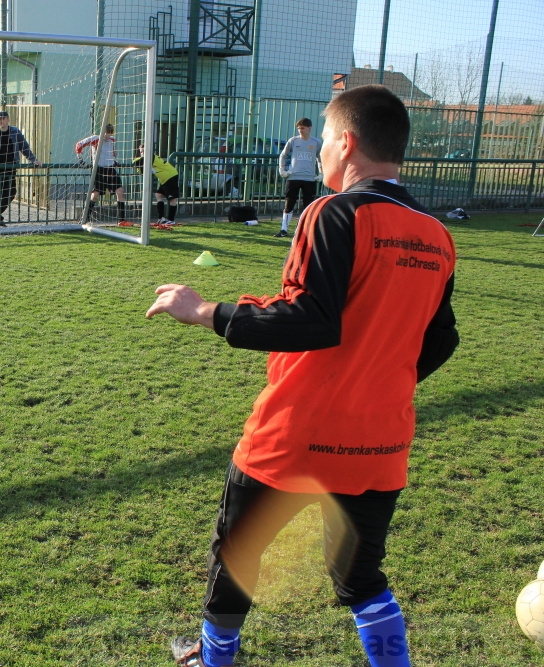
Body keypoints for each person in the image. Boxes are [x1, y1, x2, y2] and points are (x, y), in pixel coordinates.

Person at [146, 85, 458, 667]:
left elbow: (311, 319)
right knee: (360, 579)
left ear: (346, 143)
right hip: (380, 440)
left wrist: (206, 312)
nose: (319, 161)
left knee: (238, 553)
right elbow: (441, 339)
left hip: (296, 434)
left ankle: (214, 661)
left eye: (325, 148)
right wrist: (378, 379)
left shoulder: (331, 211)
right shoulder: (437, 235)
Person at [0, 110, 40, 227]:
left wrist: (33, 159)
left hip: (10, 167)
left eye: (3, 119)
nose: (1, 121)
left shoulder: (15, 132)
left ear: (8, 119)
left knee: (11, 192)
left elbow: (24, 147)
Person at [276, 117, 323, 238]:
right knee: (289, 203)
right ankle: (284, 229)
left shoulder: (316, 142)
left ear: (309, 128)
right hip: (293, 177)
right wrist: (282, 169)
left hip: (309, 178)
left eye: (302, 128)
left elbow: (320, 159)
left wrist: (321, 173)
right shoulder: (293, 141)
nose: (300, 130)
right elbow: (283, 155)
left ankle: (304, 230)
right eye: (298, 128)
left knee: (307, 205)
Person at [75, 123, 127, 225]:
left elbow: (112, 153)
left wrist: (114, 160)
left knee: (120, 192)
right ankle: (85, 218)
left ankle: (121, 220)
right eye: (106, 133)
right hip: (99, 170)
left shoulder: (112, 140)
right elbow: (79, 145)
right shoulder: (95, 138)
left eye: (109, 134)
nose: (107, 136)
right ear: (102, 132)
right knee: (95, 195)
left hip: (111, 169)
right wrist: (81, 160)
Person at [133, 143, 180, 226]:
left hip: (170, 176)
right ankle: (161, 218)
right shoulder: (147, 160)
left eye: (144, 151)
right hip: (164, 179)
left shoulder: (152, 157)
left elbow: (136, 162)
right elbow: (141, 170)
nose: (142, 153)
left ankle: (171, 220)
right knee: (158, 195)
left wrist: (135, 162)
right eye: (141, 152)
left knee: (172, 199)